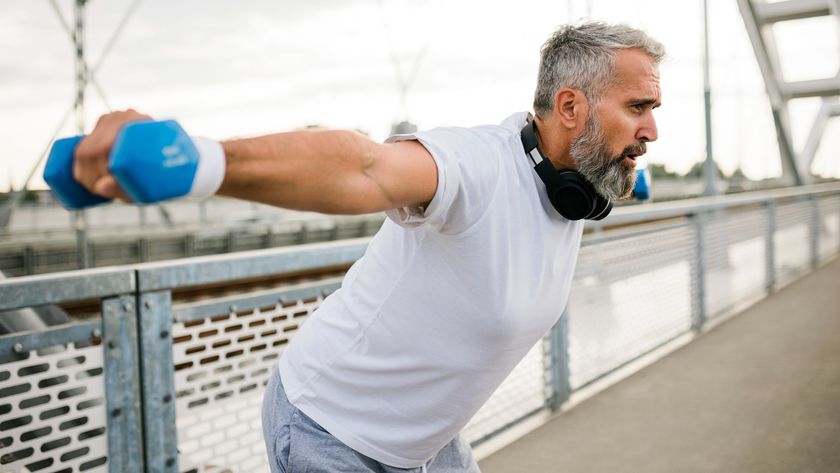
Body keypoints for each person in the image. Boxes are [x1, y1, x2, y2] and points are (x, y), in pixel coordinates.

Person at [73, 21, 663, 473]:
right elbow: (366, 167)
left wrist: (624, 170)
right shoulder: (476, 165)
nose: (652, 130)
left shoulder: (579, 182)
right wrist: (199, 161)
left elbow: (610, 171)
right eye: (638, 108)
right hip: (331, 428)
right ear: (569, 107)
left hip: (427, 441)